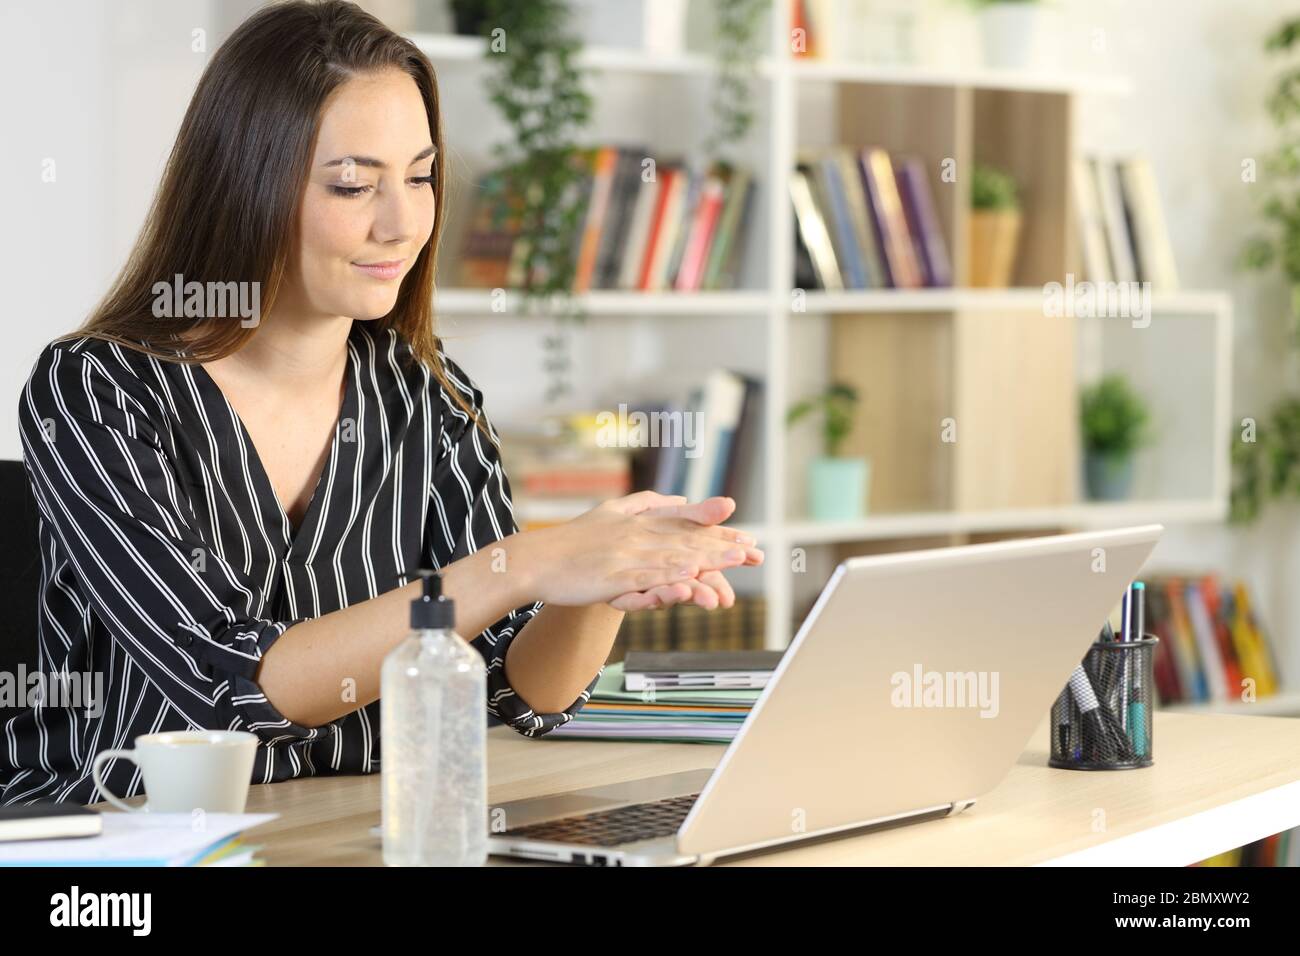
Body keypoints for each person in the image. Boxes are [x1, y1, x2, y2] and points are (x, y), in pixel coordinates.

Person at [1, 0, 762, 806]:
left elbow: (519, 690)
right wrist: (531, 561)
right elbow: (227, 684)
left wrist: (598, 586)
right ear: (244, 182)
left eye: (422, 176)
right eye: (355, 184)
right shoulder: (95, 390)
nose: (403, 223)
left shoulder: (428, 394)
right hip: (123, 838)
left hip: (355, 828)